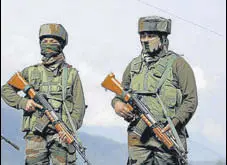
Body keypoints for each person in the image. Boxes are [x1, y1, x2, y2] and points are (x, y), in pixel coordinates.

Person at [112, 16, 198, 165]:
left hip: (167, 138)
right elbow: (119, 94)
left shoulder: (178, 65)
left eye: (151, 36)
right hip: (137, 138)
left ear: (163, 38)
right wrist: (117, 105)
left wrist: (175, 123)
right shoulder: (134, 65)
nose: (145, 40)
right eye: (142, 36)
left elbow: (191, 100)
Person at [1, 23, 86, 165]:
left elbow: (79, 107)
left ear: (61, 44)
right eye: (44, 41)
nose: (48, 44)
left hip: (61, 136)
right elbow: (6, 90)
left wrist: (68, 130)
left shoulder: (71, 74)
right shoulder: (30, 71)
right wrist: (23, 102)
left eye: (53, 41)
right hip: (35, 136)